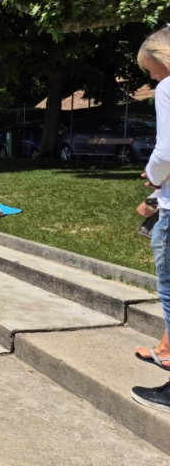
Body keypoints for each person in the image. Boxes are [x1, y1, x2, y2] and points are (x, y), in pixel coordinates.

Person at [133, 26, 170, 413]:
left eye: (152, 68)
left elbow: (166, 150)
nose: (152, 78)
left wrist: (153, 179)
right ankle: (164, 348)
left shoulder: (168, 88)